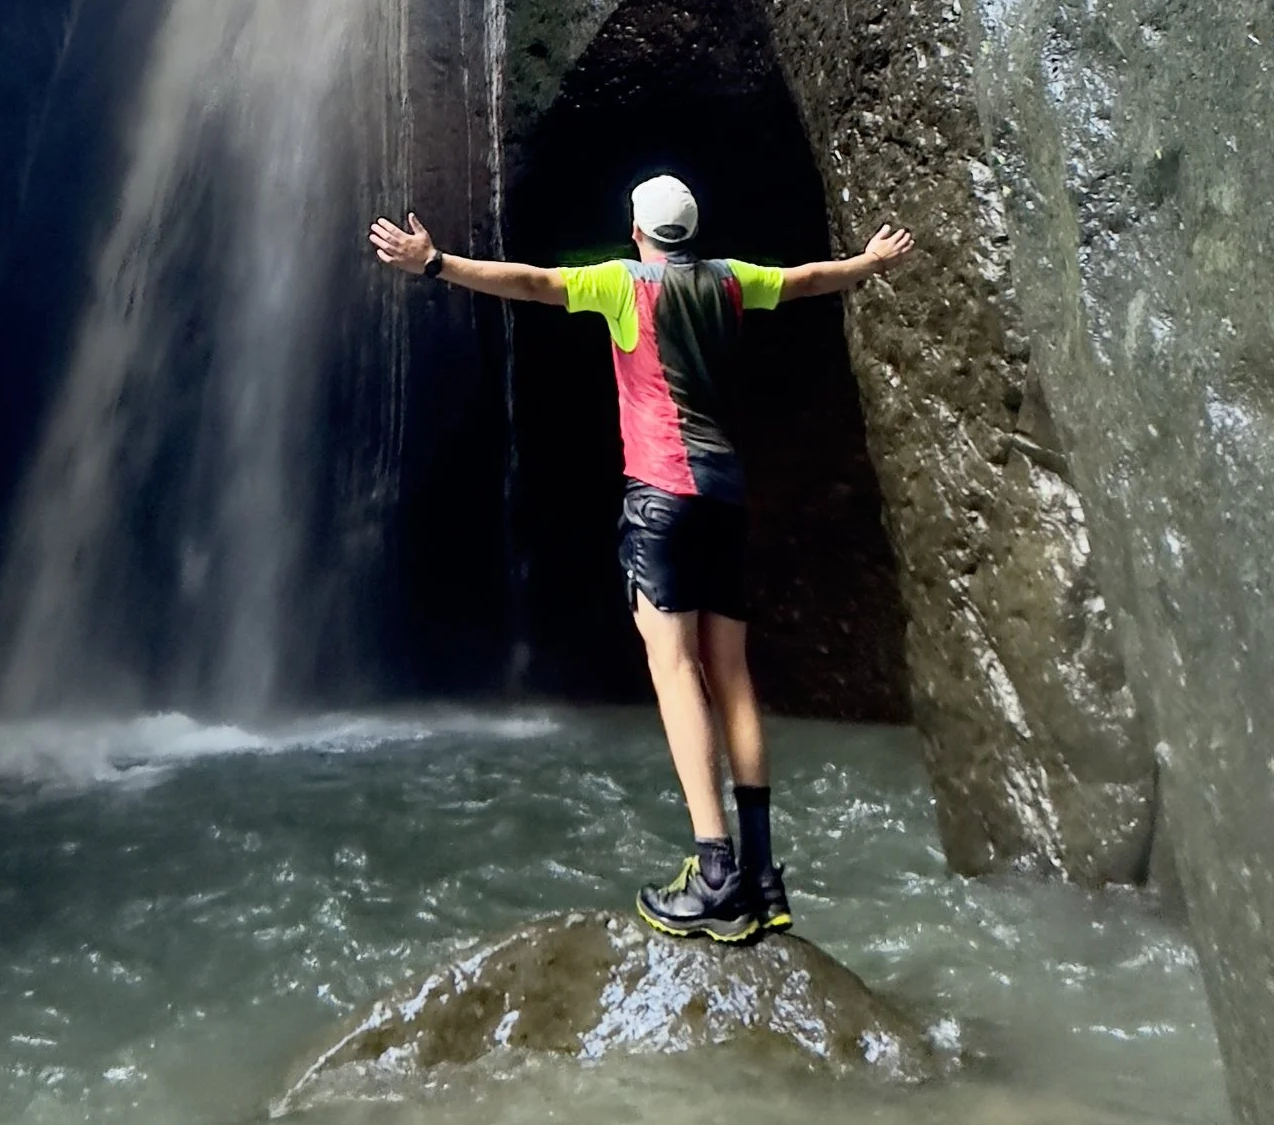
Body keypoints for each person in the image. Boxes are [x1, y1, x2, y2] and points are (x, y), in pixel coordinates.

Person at [369, 175, 915, 942]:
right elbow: (806, 279)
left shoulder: (624, 283)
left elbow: (533, 283)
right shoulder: (731, 280)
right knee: (732, 674)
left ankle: (716, 870)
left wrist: (434, 262)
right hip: (726, 495)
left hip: (661, 496)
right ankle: (762, 874)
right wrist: (869, 263)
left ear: (637, 232)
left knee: (675, 667)